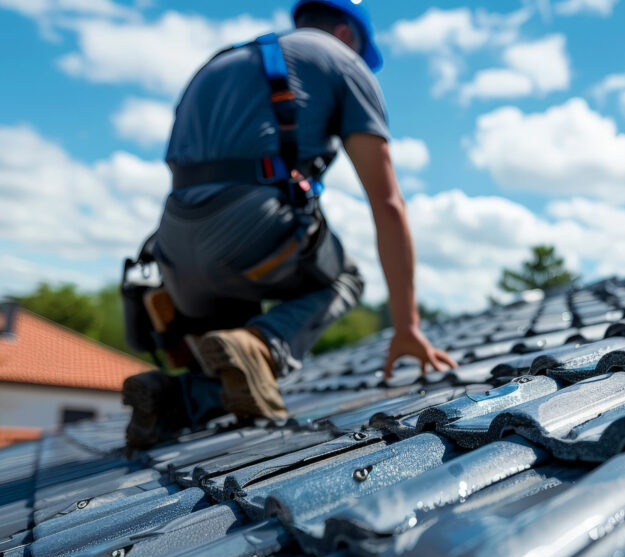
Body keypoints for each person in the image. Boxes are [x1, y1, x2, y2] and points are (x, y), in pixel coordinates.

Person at [122, 0, 457, 449]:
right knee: (345, 276)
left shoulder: (221, 63)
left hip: (173, 249)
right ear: (345, 34)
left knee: (238, 378)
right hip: (251, 233)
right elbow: (387, 202)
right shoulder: (342, 62)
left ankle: (169, 399)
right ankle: (263, 343)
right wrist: (407, 325)